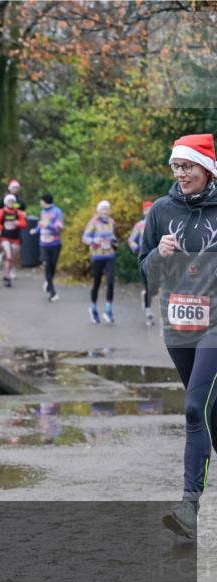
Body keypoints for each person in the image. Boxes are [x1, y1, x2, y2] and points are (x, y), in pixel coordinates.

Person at [138, 133, 217, 539]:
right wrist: (158, 256)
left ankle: (189, 504)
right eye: (175, 166)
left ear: (206, 168)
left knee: (193, 408)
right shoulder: (162, 211)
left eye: (187, 166)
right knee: (209, 413)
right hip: (179, 324)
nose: (181, 173)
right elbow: (145, 275)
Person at [82, 200, 118, 324]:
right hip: (97, 256)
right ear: (98, 211)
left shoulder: (111, 222)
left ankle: (108, 310)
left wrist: (113, 240)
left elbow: (112, 237)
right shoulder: (93, 223)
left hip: (109, 255)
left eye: (107, 209)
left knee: (111, 282)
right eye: (103, 209)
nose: (106, 211)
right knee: (96, 283)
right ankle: (93, 308)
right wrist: (94, 240)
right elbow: (84, 238)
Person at [30, 193, 64, 302]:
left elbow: (59, 228)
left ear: (45, 202)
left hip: (55, 243)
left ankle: (48, 282)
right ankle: (52, 293)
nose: (40, 203)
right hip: (44, 244)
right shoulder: (43, 212)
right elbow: (40, 225)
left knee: (53, 266)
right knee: (47, 266)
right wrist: (35, 230)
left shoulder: (57, 212)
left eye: (41, 201)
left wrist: (48, 226)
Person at [128, 201, 155, 326]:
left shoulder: (158, 224)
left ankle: (146, 296)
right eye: (146, 209)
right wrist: (136, 248)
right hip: (143, 258)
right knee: (148, 285)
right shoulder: (139, 226)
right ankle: (148, 313)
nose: (148, 211)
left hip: (157, 259)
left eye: (151, 209)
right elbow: (131, 240)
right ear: (143, 212)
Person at [0, 193, 27, 287]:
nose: (11, 203)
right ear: (6, 202)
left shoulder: (18, 212)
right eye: (9, 201)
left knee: (13, 257)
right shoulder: (2, 212)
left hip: (15, 238)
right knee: (9, 256)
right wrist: (1, 227)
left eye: (12, 201)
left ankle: (3, 258)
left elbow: (24, 224)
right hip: (5, 237)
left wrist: (18, 223)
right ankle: (7, 277)